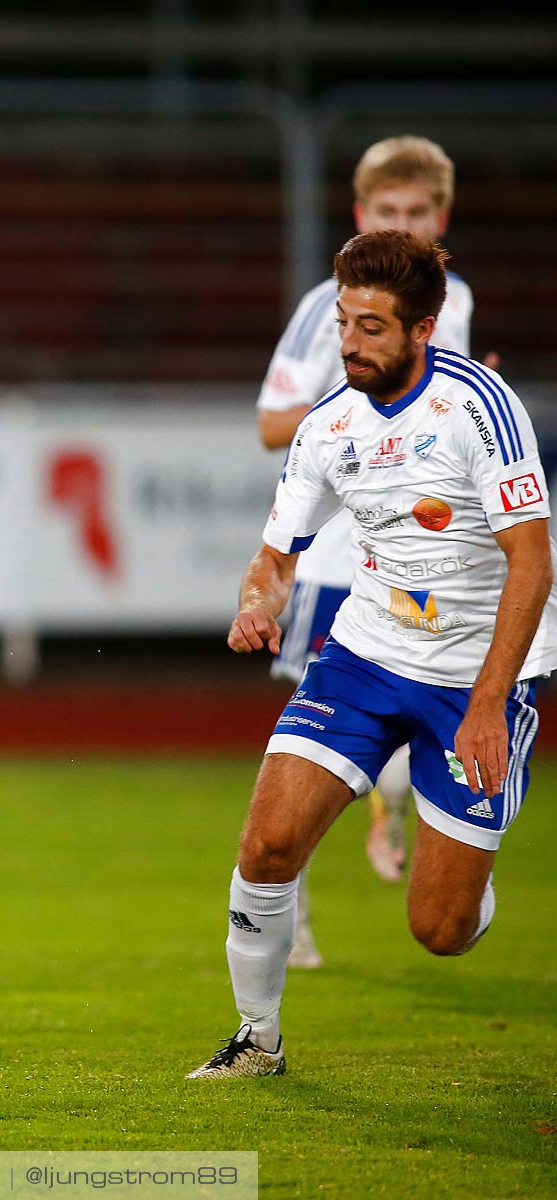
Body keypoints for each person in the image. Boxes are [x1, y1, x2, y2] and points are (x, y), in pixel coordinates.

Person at [190, 230, 553, 1079]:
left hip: (476, 675)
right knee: (267, 846)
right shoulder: (328, 426)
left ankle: (469, 884)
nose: (350, 343)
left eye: (373, 327)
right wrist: (256, 604)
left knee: (439, 930)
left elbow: (532, 559)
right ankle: (257, 1040)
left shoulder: (479, 408)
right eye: (346, 322)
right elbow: (277, 557)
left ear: (424, 329)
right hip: (365, 653)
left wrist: (492, 701)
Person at [254, 136, 474, 967]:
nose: (404, 224)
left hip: (430, 563)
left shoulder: (457, 301)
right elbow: (272, 422)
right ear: (361, 218)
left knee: (421, 717)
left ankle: (413, 828)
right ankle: (292, 912)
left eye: (418, 213)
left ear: (441, 220)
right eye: (389, 213)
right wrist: (354, 382)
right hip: (340, 562)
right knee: (312, 745)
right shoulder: (326, 308)